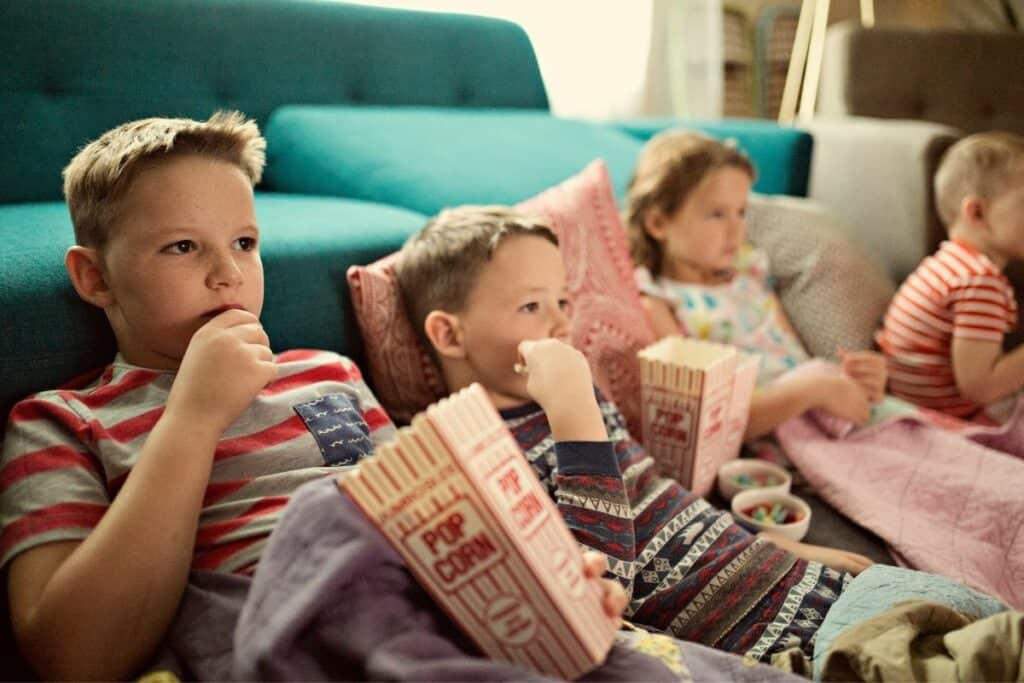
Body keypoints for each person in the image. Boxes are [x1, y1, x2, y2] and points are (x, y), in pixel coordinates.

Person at [0, 112, 624, 681]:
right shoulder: (59, 423)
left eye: (244, 242)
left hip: (422, 611)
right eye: (182, 247)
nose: (229, 273)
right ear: (95, 276)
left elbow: (437, 513)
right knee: (324, 513)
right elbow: (72, 657)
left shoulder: (329, 373)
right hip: (277, 629)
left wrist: (549, 578)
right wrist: (193, 416)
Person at [394, 205, 875, 664]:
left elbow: (660, 494)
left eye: (563, 301)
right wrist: (574, 411)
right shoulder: (475, 453)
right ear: (450, 335)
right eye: (531, 306)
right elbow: (603, 585)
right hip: (760, 640)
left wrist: (784, 547)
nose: (563, 323)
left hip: (786, 575)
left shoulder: (583, 399)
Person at [623, 130, 887, 439]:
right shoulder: (659, 303)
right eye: (717, 214)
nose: (736, 230)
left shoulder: (748, 277)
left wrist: (852, 382)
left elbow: (795, 361)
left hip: (820, 416)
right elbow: (709, 422)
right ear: (658, 223)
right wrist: (813, 388)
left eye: (741, 212)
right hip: (769, 438)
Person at [877, 132, 1024, 419]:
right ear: (977, 212)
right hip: (950, 421)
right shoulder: (980, 282)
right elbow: (980, 387)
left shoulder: (948, 264)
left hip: (915, 407)